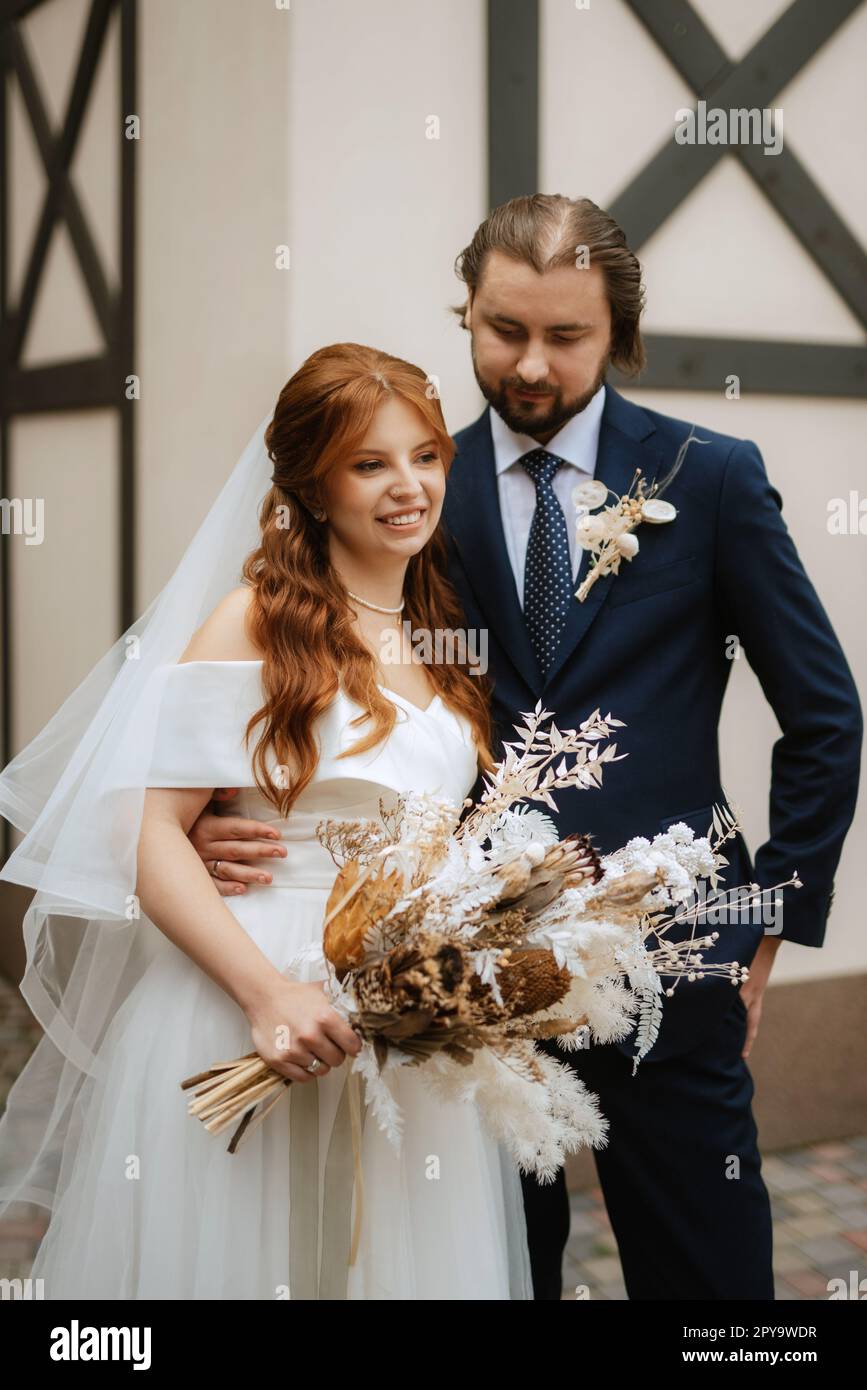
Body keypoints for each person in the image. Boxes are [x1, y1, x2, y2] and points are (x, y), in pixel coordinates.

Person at [191, 195, 863, 1300]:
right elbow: (323, 660)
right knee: (498, 1275)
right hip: (453, 978)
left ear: (619, 332)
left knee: (713, 1282)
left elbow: (826, 716)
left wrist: (766, 922)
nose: (533, 364)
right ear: (467, 313)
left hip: (670, 958)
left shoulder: (711, 477)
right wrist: (230, 814)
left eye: (567, 335)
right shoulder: (416, 489)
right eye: (505, 329)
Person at [0, 343, 533, 1300]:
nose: (408, 486)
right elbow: (140, 829)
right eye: (369, 464)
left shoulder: (435, 628)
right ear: (313, 488)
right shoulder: (254, 621)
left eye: (424, 456)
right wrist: (268, 997)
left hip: (404, 1019)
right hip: (250, 996)